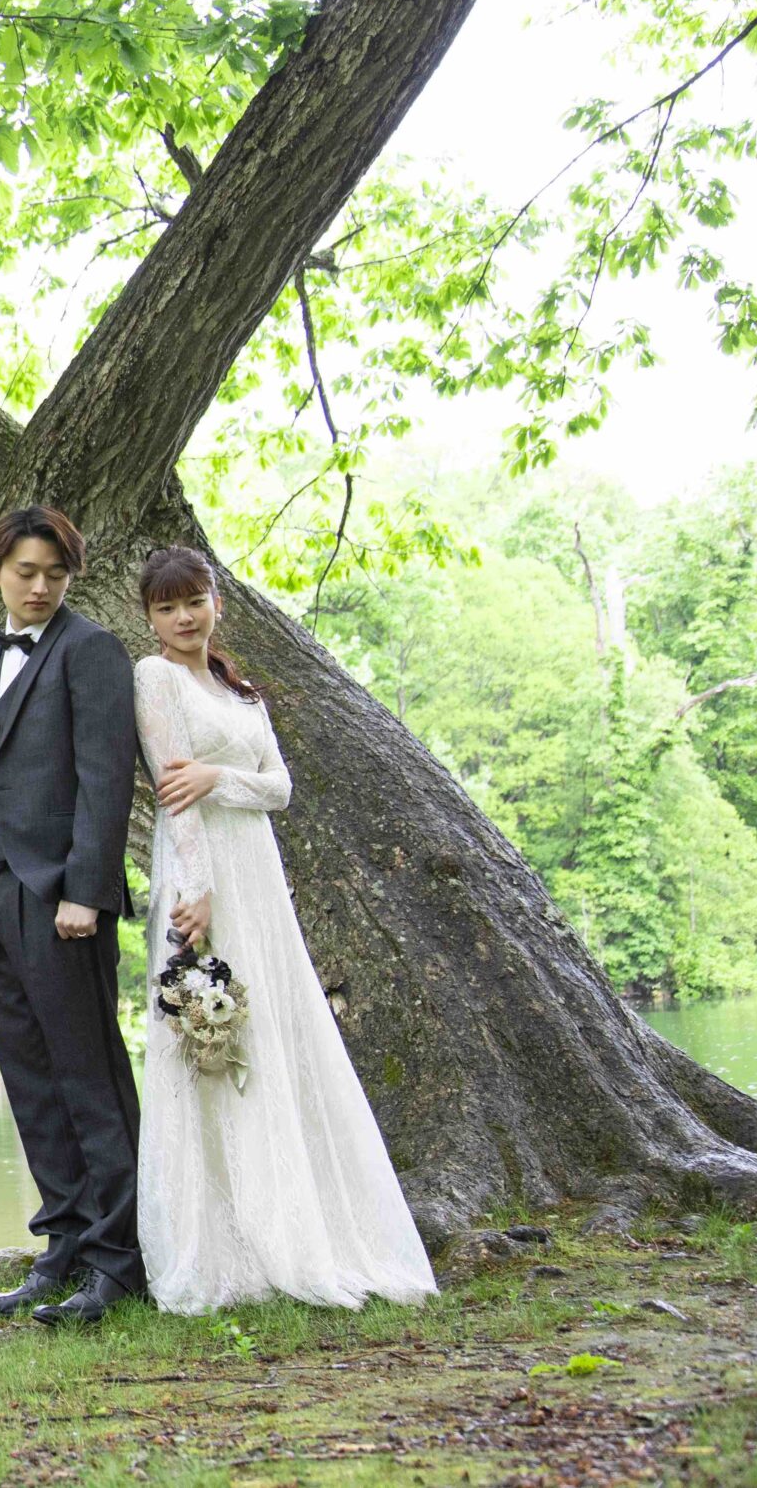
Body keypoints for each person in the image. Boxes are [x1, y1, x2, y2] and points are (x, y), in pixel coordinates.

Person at [131, 545, 435, 1314]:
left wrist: (219, 775)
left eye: (194, 600)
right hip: (204, 875)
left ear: (216, 601)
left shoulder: (239, 689)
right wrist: (194, 892)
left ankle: (300, 1227)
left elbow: (280, 787)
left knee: (273, 1034)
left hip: (258, 879)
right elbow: (175, 791)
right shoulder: (155, 678)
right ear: (151, 619)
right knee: (210, 1039)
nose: (184, 617)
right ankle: (223, 1244)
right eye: (168, 607)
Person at [0, 506, 145, 1326]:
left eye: (55, 575)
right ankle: (61, 1246)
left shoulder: (93, 652)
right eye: (25, 571)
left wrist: (86, 892)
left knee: (88, 1080)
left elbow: (106, 780)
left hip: (66, 898)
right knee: (30, 1081)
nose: (39, 587)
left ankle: (118, 1259)